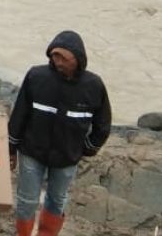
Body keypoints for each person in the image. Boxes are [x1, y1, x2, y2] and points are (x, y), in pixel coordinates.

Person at [9, 31, 111, 236]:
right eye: (55, 56)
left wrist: (88, 148)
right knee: (26, 201)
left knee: (57, 201)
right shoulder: (36, 76)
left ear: (78, 59)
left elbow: (103, 123)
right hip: (32, 152)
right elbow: (19, 114)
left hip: (67, 157)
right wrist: (11, 148)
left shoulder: (93, 85)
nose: (58, 62)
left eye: (64, 57)